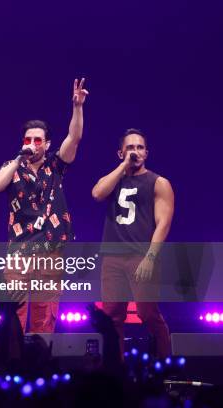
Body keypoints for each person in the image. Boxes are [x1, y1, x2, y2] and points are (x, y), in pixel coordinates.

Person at [0, 79, 88, 333]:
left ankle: (39, 363)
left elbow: (74, 138)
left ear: (47, 145)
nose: (32, 144)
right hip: (19, 247)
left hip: (50, 244)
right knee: (14, 309)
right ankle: (12, 363)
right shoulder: (13, 167)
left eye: (37, 140)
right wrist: (17, 158)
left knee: (44, 314)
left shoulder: (55, 166)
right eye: (28, 139)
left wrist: (77, 107)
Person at [92, 128, 173, 357]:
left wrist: (150, 257)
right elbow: (97, 194)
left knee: (147, 313)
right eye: (130, 147)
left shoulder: (158, 182)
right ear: (120, 153)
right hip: (113, 256)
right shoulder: (114, 179)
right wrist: (123, 167)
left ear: (146, 153)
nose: (135, 151)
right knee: (112, 316)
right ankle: (115, 371)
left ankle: (164, 365)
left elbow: (163, 223)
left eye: (139, 147)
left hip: (141, 255)